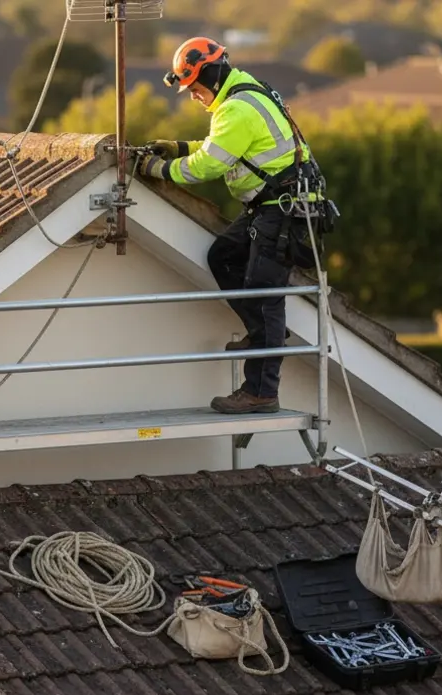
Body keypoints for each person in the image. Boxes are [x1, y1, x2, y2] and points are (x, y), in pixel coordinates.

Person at [137, 37, 332, 415]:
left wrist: (157, 169)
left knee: (264, 292)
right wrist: (178, 147)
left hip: (282, 210)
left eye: (193, 87)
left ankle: (261, 392)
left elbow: (209, 165)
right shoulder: (243, 93)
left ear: (209, 74)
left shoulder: (236, 109)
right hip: (272, 205)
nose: (192, 96)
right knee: (223, 256)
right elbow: (221, 147)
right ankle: (262, 333)